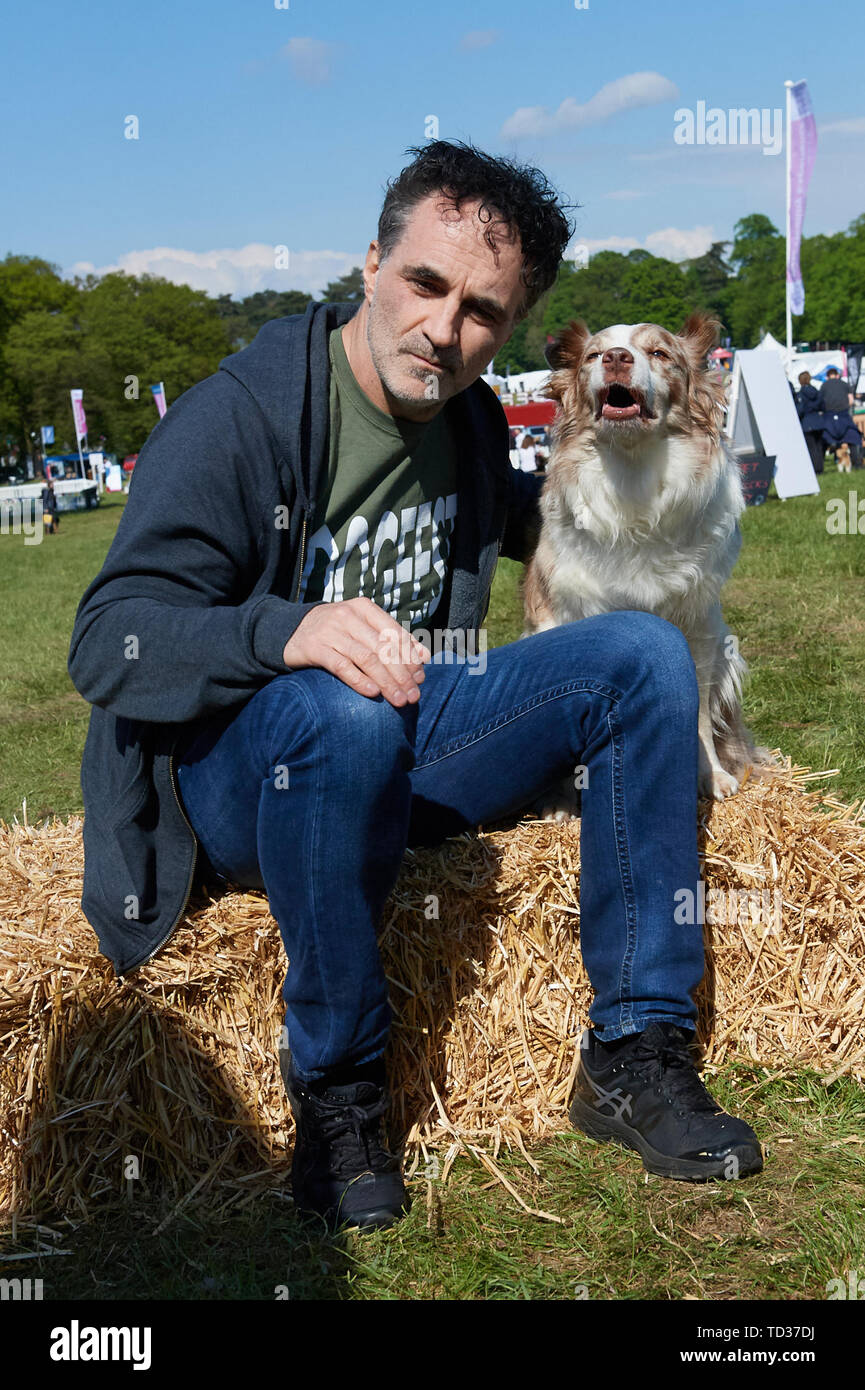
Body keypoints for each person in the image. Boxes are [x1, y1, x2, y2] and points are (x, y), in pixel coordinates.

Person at [68, 140, 762, 1234]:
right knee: (341, 711)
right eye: (425, 284)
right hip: (252, 770)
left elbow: (568, 525)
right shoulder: (241, 414)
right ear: (371, 263)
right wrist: (290, 629)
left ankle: (635, 1052)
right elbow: (108, 641)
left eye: (483, 310)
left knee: (636, 653)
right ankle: (340, 1098)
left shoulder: (472, 419)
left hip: (417, 728)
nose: (443, 330)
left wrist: (678, 524)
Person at [818, 368, 862, 469]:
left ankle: (819, 468)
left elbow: (821, 402)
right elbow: (851, 400)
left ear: (827, 377)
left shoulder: (824, 386)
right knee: (854, 439)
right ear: (838, 375)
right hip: (844, 416)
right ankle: (857, 464)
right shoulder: (844, 384)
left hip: (829, 417)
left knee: (823, 441)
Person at [794, 371, 825, 475]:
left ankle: (815, 469)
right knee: (819, 446)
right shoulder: (816, 391)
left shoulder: (801, 394)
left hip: (807, 423)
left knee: (811, 448)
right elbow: (822, 405)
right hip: (818, 421)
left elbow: (800, 410)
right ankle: (820, 467)